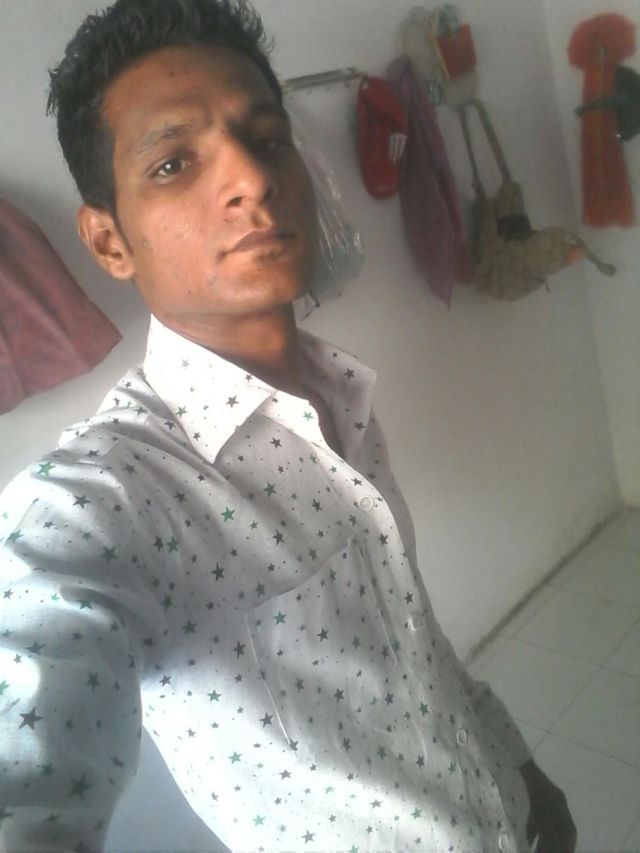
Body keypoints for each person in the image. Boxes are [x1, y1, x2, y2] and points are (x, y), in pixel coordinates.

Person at [0, 1, 577, 851]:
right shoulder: (103, 497)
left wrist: (518, 766)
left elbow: (411, 639)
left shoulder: (339, 394)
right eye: (172, 163)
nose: (251, 176)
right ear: (109, 242)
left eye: (267, 138)